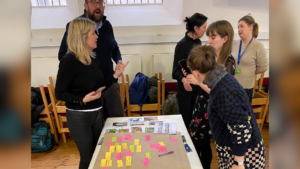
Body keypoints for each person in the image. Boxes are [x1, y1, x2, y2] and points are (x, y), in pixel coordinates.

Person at [55, 18, 128, 169]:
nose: (97, 36)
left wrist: (115, 76)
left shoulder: (92, 57)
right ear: (82, 37)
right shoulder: (68, 61)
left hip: (96, 112)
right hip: (79, 116)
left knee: (98, 152)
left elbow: (99, 87)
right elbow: (60, 93)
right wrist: (81, 99)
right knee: (87, 156)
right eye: (93, 33)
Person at [188, 45, 265, 169]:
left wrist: (238, 163)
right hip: (232, 151)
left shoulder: (224, 90)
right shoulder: (219, 79)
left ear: (196, 74)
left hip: (244, 156)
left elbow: (241, 128)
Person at [58, 0, 124, 119]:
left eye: (100, 2)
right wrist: (84, 75)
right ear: (86, 6)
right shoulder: (75, 26)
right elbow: (63, 55)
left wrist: (119, 61)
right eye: (93, 2)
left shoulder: (107, 25)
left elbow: (114, 46)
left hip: (109, 82)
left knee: (117, 119)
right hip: (90, 88)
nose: (97, 6)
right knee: (97, 123)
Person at [184, 20, 236, 169]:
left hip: (214, 108)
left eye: (213, 37)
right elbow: (203, 79)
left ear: (225, 39)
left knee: (201, 144)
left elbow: (220, 92)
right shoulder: (211, 57)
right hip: (202, 105)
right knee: (201, 143)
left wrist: (197, 81)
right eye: (209, 37)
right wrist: (192, 76)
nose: (208, 41)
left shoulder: (228, 62)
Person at [172, 13, 208, 129]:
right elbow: (175, 71)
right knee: (185, 119)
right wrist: (184, 81)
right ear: (195, 28)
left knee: (195, 117)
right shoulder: (182, 45)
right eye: (203, 27)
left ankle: (191, 142)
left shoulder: (198, 42)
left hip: (197, 86)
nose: (205, 31)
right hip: (186, 88)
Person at [232, 14, 268, 103]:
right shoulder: (234, 44)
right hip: (231, 86)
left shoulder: (258, 46)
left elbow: (263, 67)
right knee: (230, 114)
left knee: (244, 115)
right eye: (238, 27)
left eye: (241, 26)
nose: (239, 29)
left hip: (246, 88)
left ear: (250, 27)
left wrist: (249, 72)